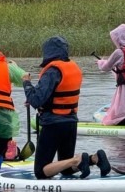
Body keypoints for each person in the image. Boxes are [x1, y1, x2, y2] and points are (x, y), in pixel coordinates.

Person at [23, 35, 111, 179]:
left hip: (53, 124)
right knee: (66, 169)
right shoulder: (73, 67)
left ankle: (77, 159)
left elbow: (36, 100)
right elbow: (56, 94)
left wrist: (26, 83)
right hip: (70, 123)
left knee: (41, 172)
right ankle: (95, 158)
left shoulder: (52, 71)